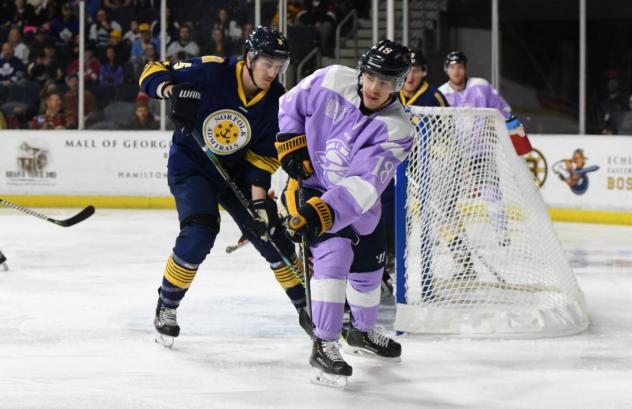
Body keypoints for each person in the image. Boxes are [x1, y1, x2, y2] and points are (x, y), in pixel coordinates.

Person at [139, 26, 311, 347]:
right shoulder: (213, 70)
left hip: (236, 174)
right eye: (267, 64)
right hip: (192, 166)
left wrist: (259, 206)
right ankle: (167, 305)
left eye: (279, 66)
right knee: (200, 231)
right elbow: (153, 70)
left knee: (271, 235)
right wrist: (171, 91)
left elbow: (262, 159)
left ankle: (310, 309)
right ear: (249, 58)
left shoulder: (276, 100)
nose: (273, 72)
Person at [275, 39, 414, 387]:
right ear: (362, 71)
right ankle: (324, 343)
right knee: (333, 259)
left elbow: (363, 186)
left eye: (385, 83)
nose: (373, 87)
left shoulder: (397, 129)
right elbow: (291, 102)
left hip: (358, 205)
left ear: (397, 85)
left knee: (369, 270)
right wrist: (290, 141)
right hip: (312, 188)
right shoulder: (332, 78)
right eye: (370, 77)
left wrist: (321, 214)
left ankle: (362, 334)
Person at [437, 50, 532, 278]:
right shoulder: (442, 93)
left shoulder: (481, 86)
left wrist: (513, 129)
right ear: (446, 69)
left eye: (459, 66)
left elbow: (503, 109)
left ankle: (502, 233)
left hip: (482, 150)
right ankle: (443, 237)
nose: (456, 70)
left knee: (491, 192)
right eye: (452, 67)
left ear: (465, 68)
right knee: (447, 198)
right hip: (454, 154)